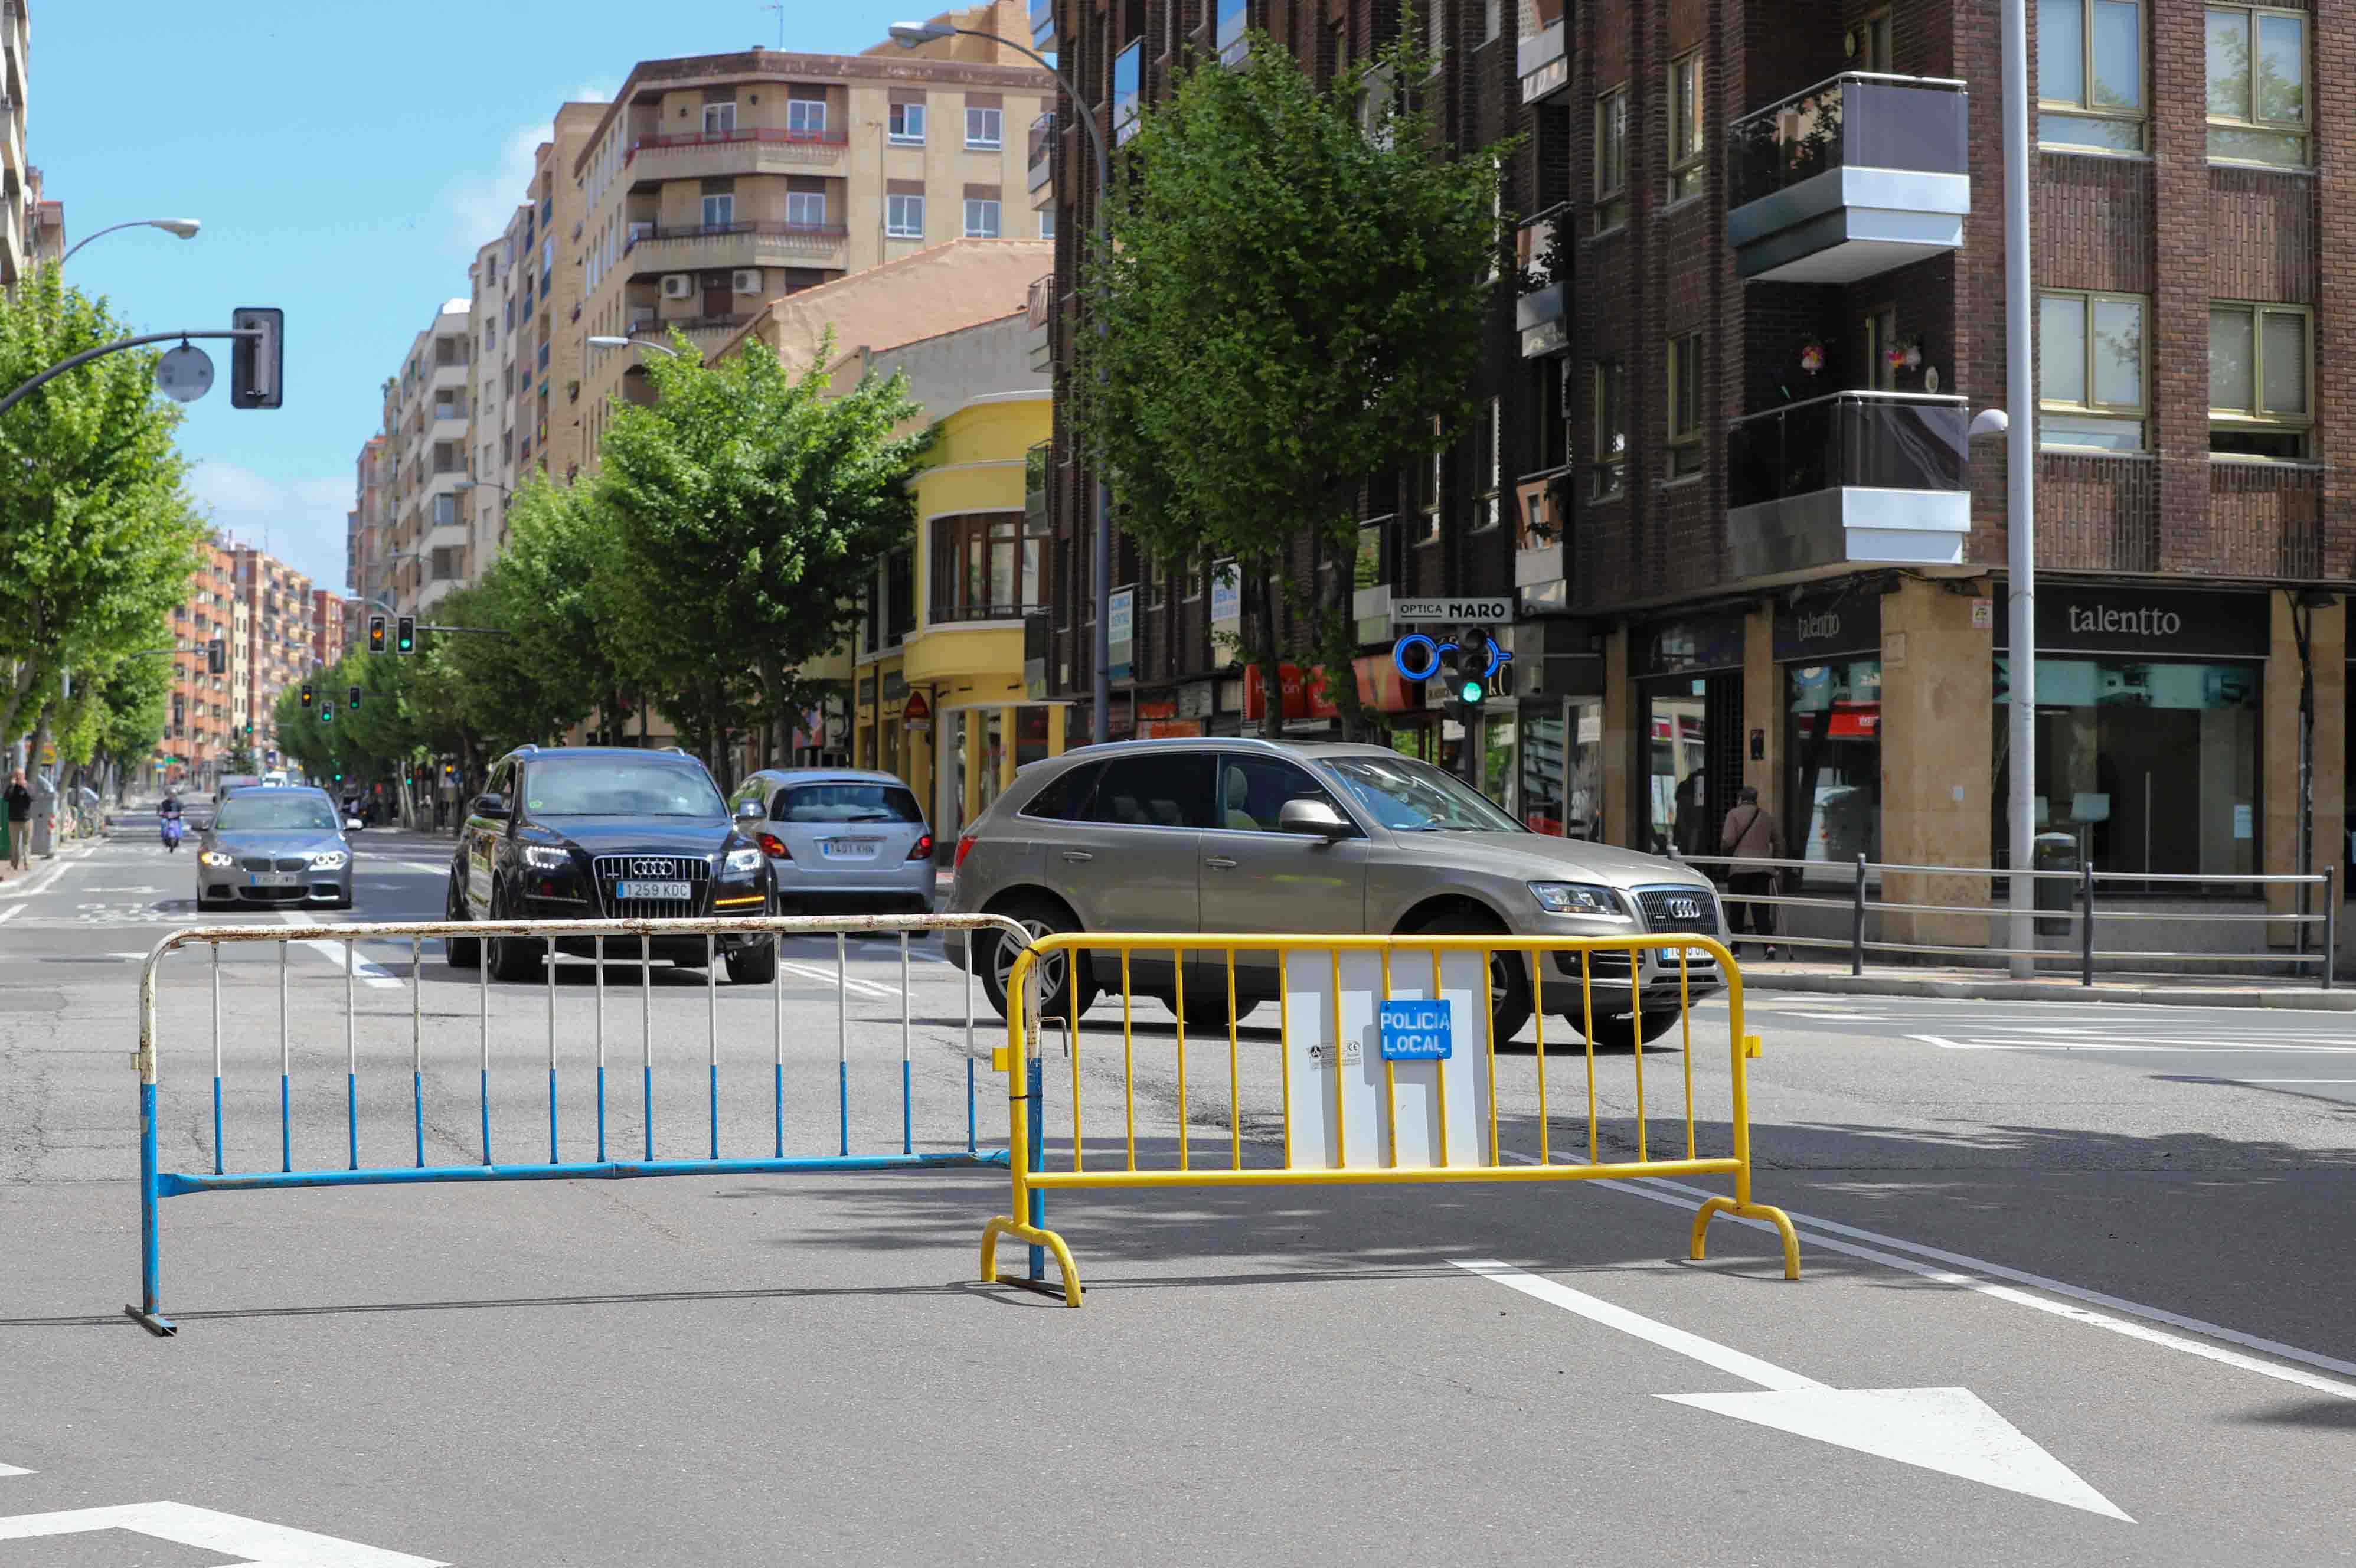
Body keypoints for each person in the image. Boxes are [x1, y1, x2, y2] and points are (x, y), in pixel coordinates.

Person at [1720, 785, 1784, 959]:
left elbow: (1727, 840)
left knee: (1737, 910)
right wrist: (1777, 865)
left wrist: (1726, 852)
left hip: (1739, 870)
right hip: (1762, 870)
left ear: (1740, 799)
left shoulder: (1733, 815)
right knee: (1761, 909)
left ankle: (1735, 950)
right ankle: (1769, 946)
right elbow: (1779, 842)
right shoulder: (1766, 817)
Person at [4, 768, 31, 874]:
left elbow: (32, 797)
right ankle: (14, 865)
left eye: (20, 775)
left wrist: (25, 788)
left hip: (26, 820)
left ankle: (27, 864)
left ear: (24, 776)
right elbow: (6, 798)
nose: (18, 777)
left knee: (26, 844)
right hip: (13, 820)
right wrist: (12, 785)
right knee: (14, 844)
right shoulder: (12, 787)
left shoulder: (28, 786)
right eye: (16, 775)